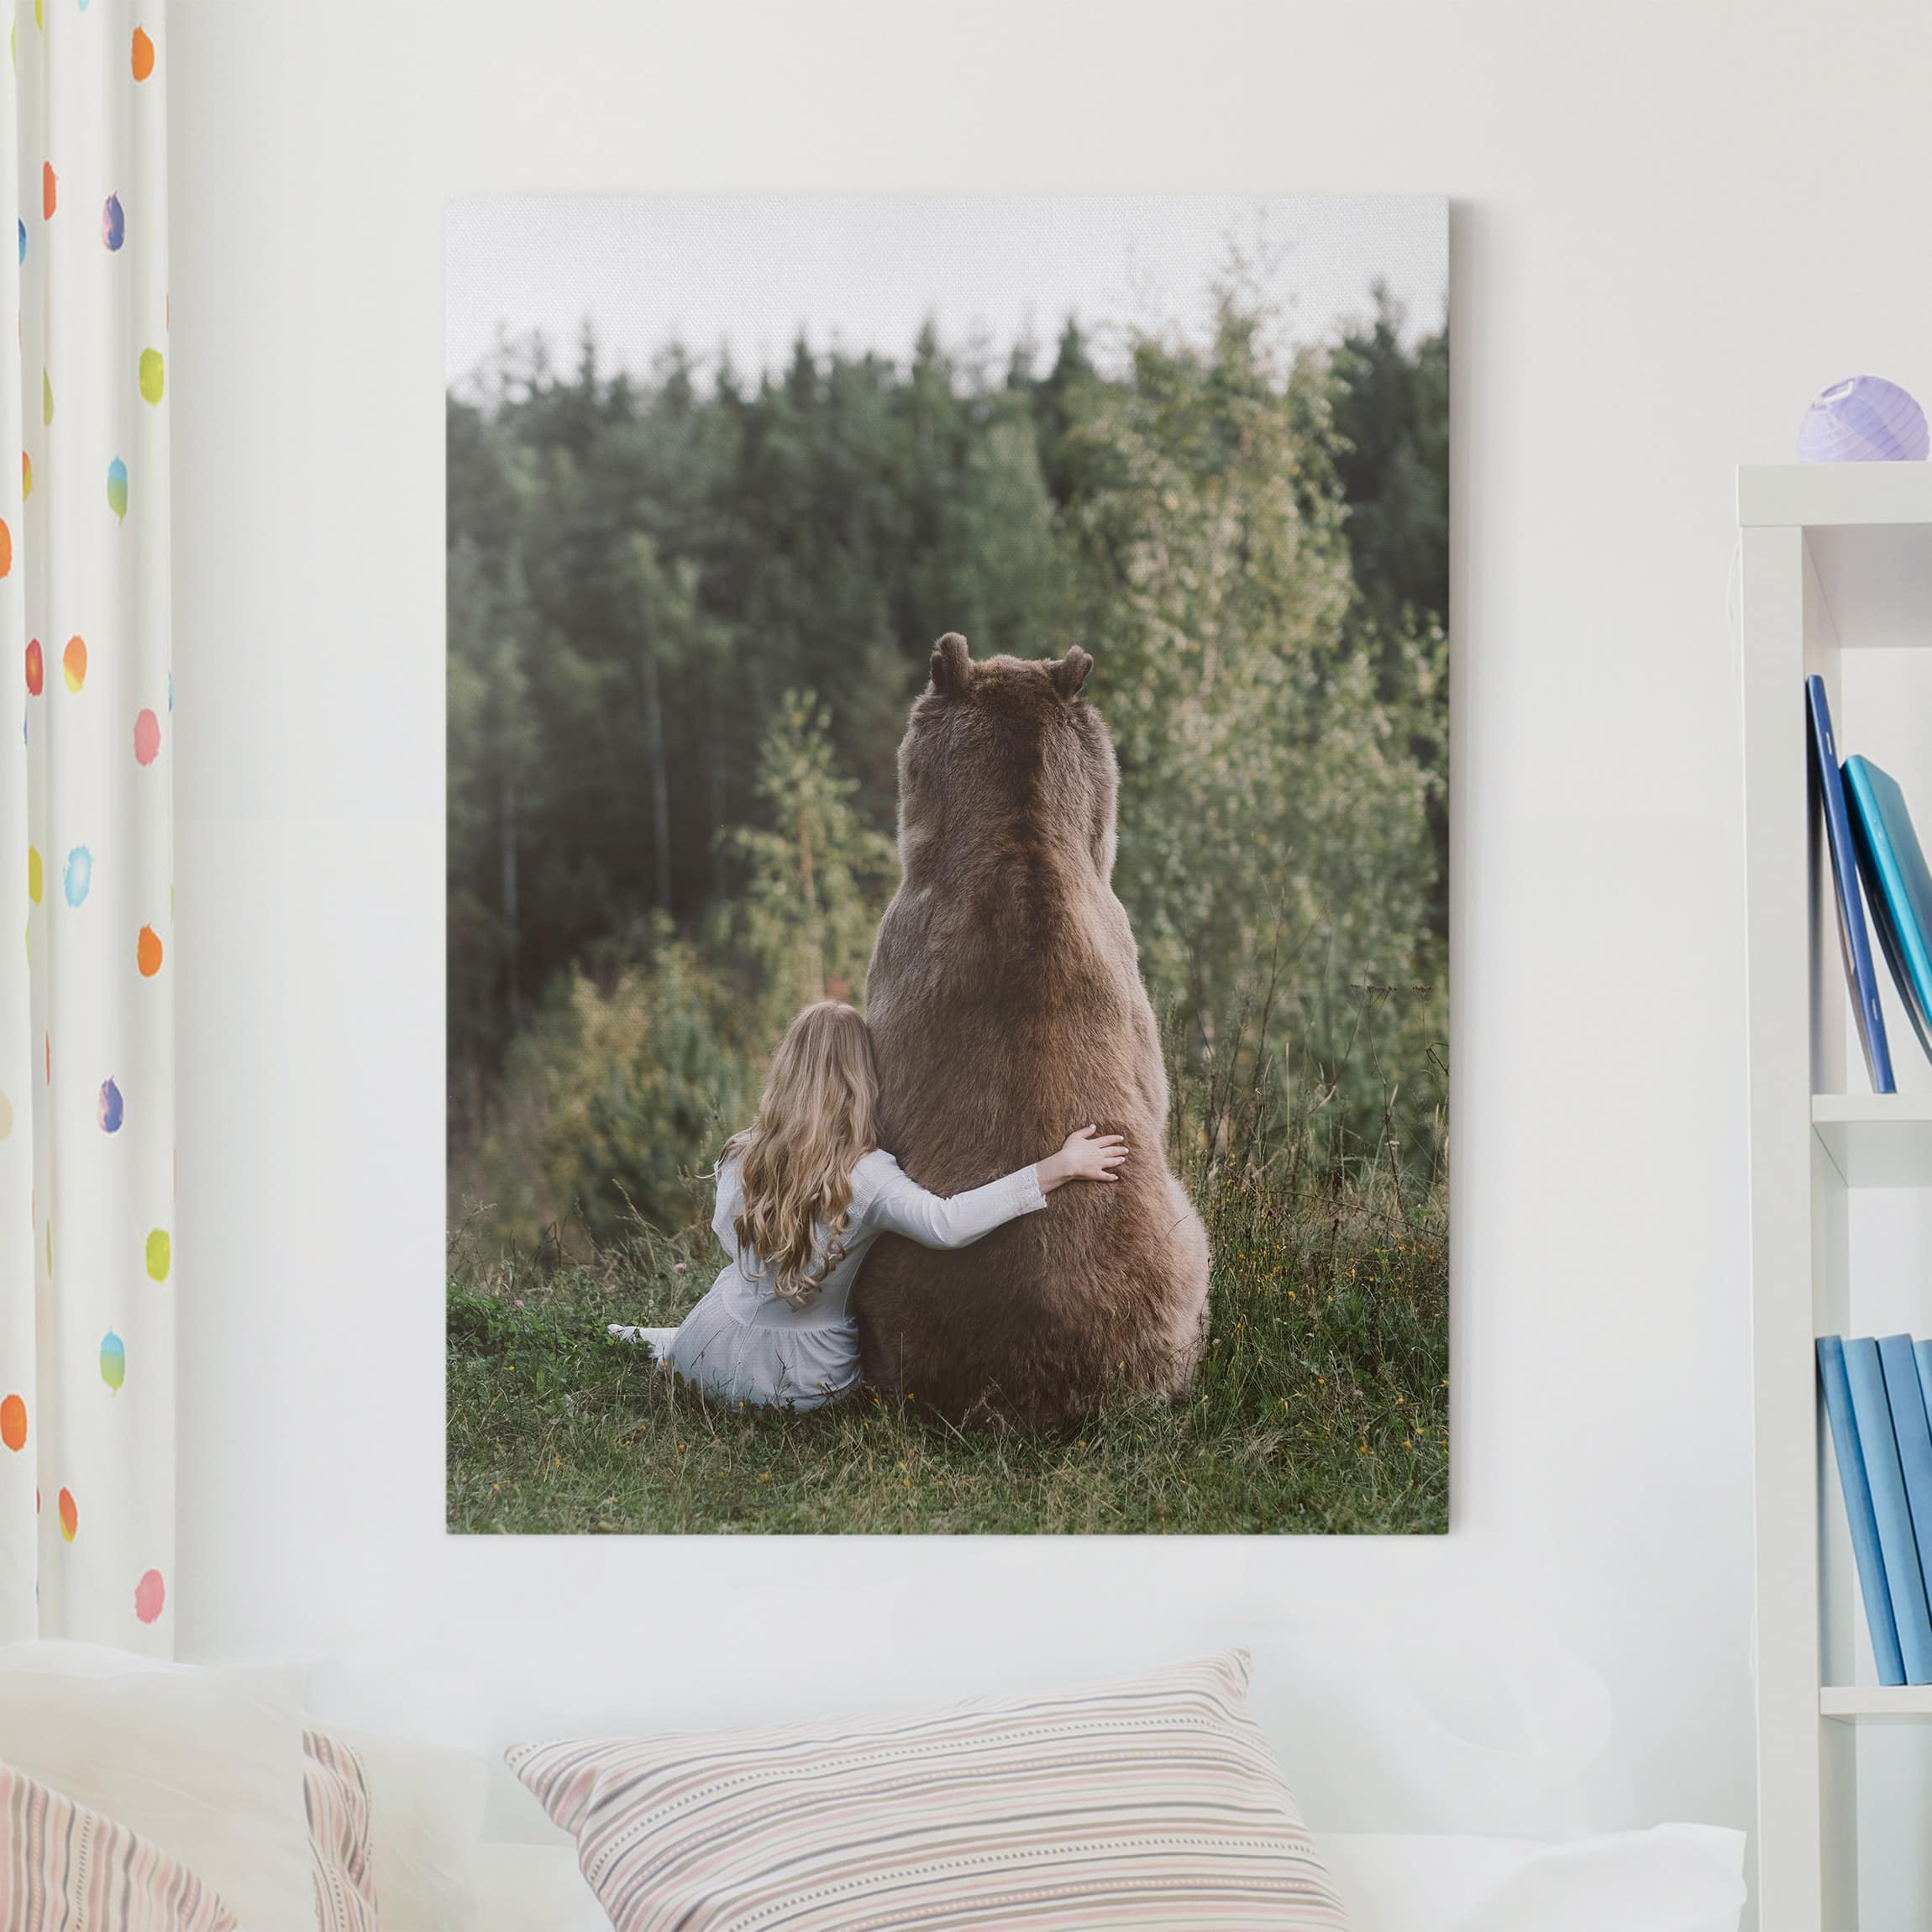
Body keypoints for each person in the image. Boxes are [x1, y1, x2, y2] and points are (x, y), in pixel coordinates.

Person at [609, 1000, 1127, 1410]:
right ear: (862, 1078)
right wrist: (1058, 1165)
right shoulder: (868, 1174)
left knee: (718, 1302)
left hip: (711, 1349)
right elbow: (948, 1223)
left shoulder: (744, 1153)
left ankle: (655, 1343)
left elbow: (733, 1248)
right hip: (807, 1381)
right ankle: (652, 1342)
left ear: (787, 1070)